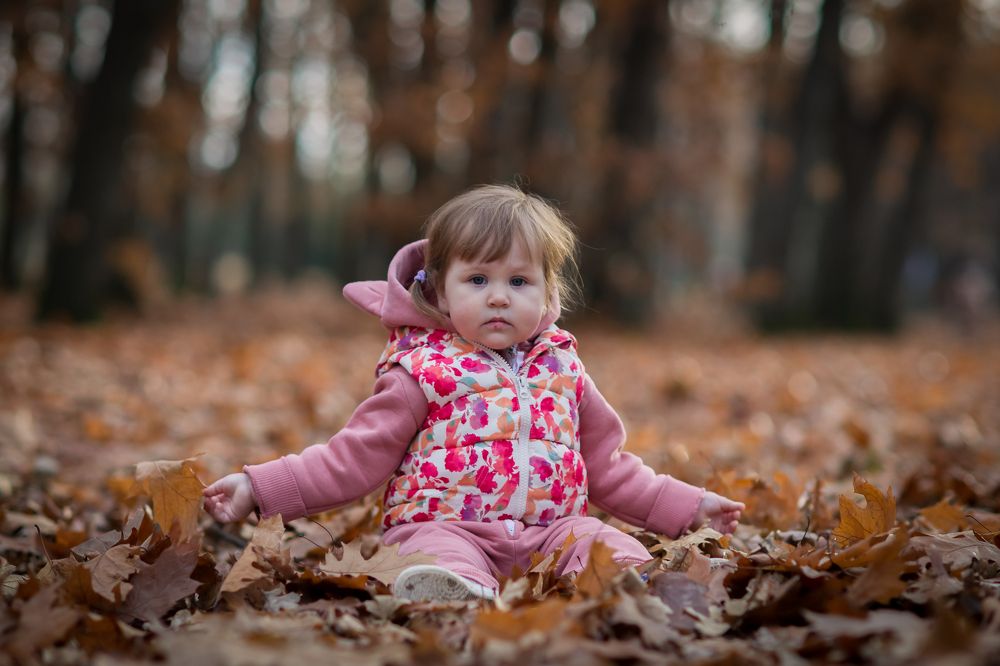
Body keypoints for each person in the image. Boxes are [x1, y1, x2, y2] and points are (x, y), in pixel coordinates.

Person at [203, 184, 745, 601]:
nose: (499, 298)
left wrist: (690, 507)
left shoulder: (564, 368)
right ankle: (450, 591)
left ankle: (637, 586)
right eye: (478, 280)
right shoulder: (421, 369)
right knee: (433, 552)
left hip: (549, 532)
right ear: (439, 289)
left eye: (518, 281)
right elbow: (354, 458)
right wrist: (261, 488)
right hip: (443, 525)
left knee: (601, 545)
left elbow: (609, 467)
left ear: (548, 291)